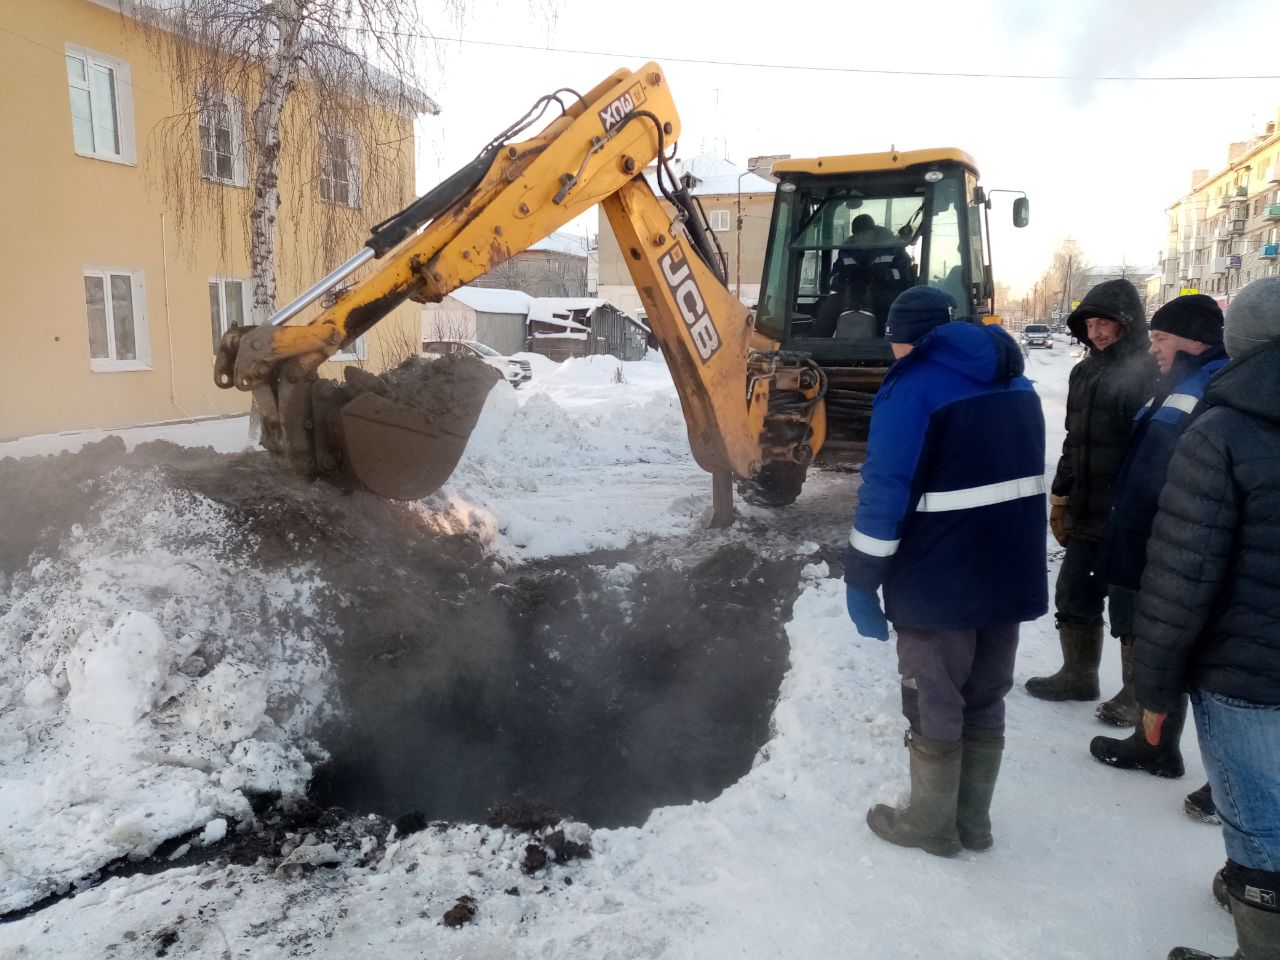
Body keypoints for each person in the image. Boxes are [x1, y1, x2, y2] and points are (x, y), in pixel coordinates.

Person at [844, 286, 1047, 858]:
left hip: (940, 576)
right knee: (985, 692)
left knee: (934, 694)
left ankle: (932, 825)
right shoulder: (1016, 382)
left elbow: (886, 491)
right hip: (1007, 568)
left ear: (901, 337)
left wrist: (862, 577)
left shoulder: (913, 389)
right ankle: (973, 822)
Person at [1133, 278, 1280, 960]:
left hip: (1244, 673)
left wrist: (1154, 687)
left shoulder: (1221, 429)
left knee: (1257, 824)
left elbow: (1183, 575)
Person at [1088, 295, 1227, 787]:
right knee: (1156, 644)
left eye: (1163, 339)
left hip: (1182, 544)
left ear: (1195, 340)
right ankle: (1156, 746)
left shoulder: (1214, 386)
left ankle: (1232, 785)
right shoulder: (1174, 385)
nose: (1155, 349)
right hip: (1153, 539)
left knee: (1209, 664)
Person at [1025, 279, 1154, 723]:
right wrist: (1061, 492)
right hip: (1086, 508)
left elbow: (1153, 448)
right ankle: (1079, 675)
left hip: (1129, 514)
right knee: (1074, 592)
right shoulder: (1084, 371)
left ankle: (1137, 695)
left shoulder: (1150, 372)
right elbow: (1074, 440)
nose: (1096, 333)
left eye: (1106, 324)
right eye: (1091, 324)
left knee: (1129, 607)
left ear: (1129, 324)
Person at [814, 214, 915, 337]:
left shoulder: (894, 249)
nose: (862, 237)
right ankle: (816, 343)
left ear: (873, 233)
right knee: (830, 305)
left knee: (892, 309)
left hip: (884, 292)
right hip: (852, 293)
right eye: (858, 234)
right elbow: (831, 281)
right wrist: (843, 278)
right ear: (854, 236)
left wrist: (883, 275)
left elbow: (905, 276)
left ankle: (888, 346)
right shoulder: (846, 251)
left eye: (866, 233)